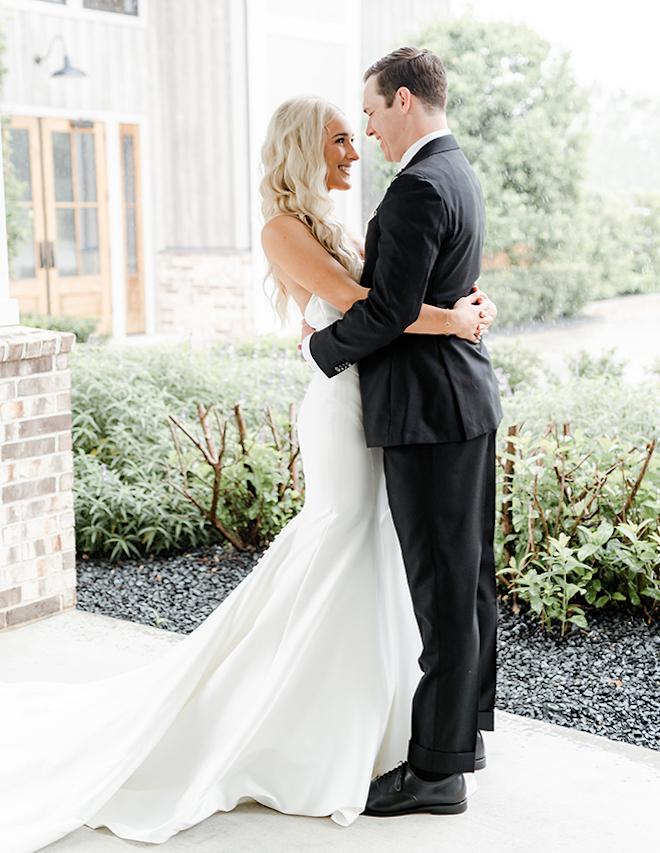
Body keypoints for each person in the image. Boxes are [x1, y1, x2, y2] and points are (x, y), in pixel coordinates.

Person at [0, 94, 495, 853]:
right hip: (340, 408)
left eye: (354, 134)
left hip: (377, 400)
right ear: (303, 146)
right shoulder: (281, 228)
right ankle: (279, 716)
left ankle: (406, 730)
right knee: (339, 541)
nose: (353, 150)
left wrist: (456, 302)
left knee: (376, 557)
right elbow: (371, 305)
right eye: (338, 139)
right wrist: (453, 319)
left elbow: (395, 293)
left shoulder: (328, 220)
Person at [303, 47, 503, 818]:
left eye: (374, 112)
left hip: (430, 415)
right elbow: (440, 294)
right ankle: (460, 742)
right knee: (464, 584)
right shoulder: (457, 171)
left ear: (408, 100)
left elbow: (386, 311)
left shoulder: (420, 186)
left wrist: (320, 351)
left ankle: (436, 773)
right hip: (459, 407)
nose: (370, 128)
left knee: (444, 590)